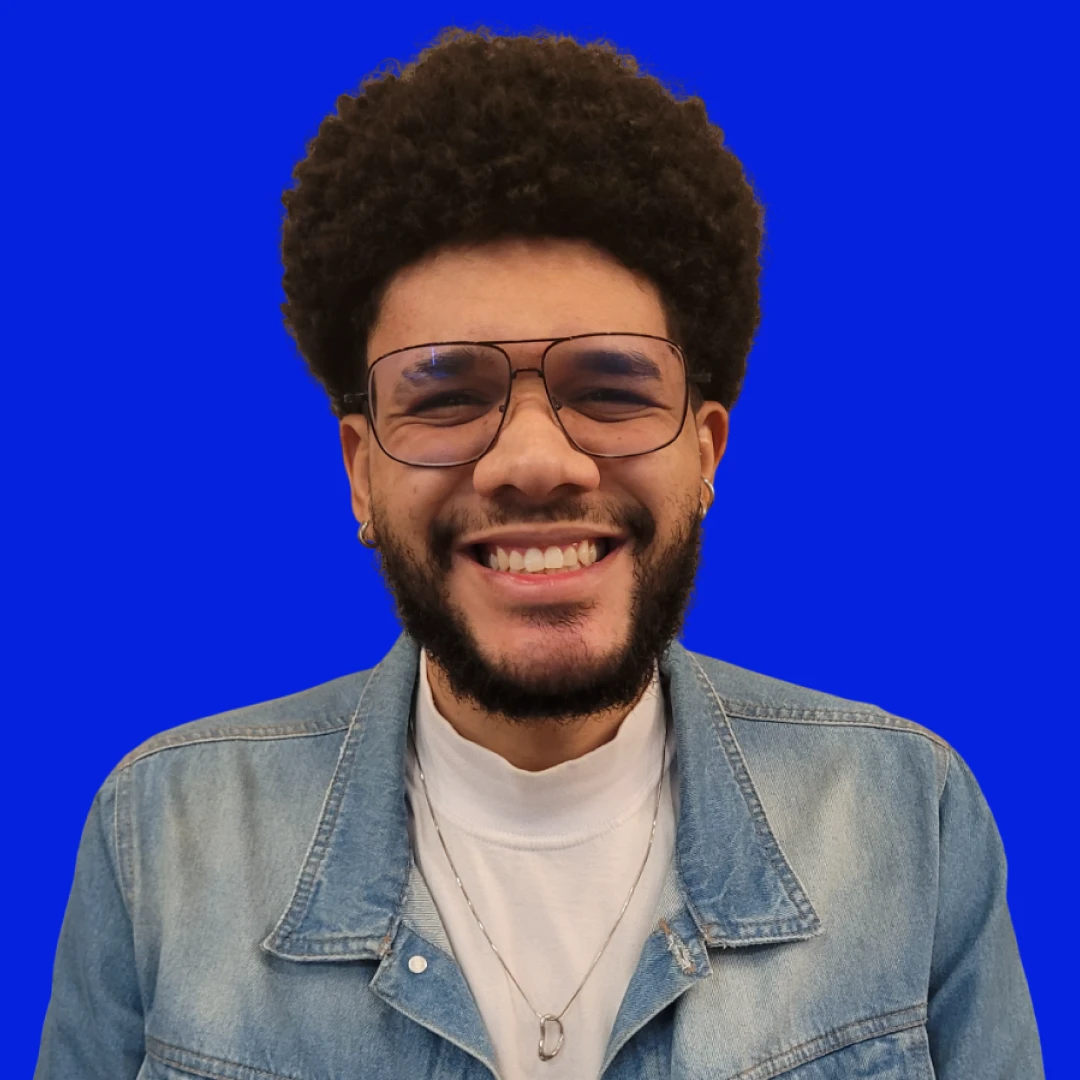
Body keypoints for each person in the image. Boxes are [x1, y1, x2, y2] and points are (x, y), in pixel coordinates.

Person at [35, 26, 1043, 1080]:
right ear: (360, 472)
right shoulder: (162, 835)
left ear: (705, 454)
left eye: (610, 389)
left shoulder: (909, 818)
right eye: (446, 396)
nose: (532, 462)